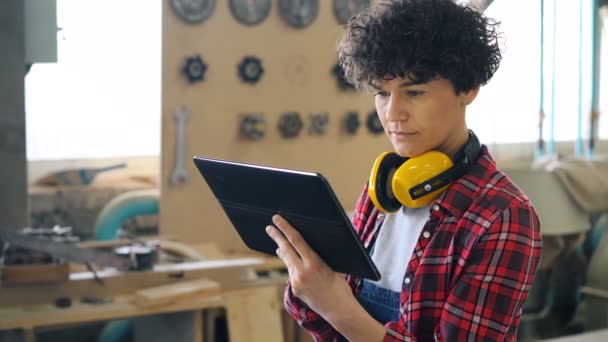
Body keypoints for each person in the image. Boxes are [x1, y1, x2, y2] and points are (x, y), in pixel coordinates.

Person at [265, 0, 543, 340]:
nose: (393, 113)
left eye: (414, 92)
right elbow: (330, 328)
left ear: (468, 89)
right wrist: (308, 282)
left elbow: (340, 315)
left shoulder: (504, 217)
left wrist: (336, 305)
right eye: (382, 93)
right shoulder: (383, 188)